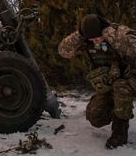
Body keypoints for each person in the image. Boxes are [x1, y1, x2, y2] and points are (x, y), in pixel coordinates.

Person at [58, 14, 136, 148]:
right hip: (108, 84)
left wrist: (110, 34)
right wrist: (79, 34)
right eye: (92, 38)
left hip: (130, 80)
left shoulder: (118, 32)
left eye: (98, 36)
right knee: (95, 116)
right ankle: (119, 110)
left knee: (120, 87)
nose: (96, 40)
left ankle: (119, 133)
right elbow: (63, 51)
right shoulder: (85, 40)